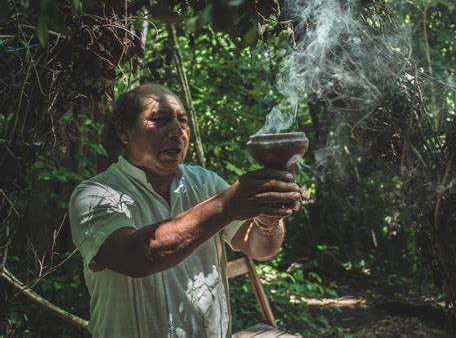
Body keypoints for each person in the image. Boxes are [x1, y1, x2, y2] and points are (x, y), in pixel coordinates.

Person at [69, 83, 308, 338]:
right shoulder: (94, 194)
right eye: (160, 120)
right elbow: (134, 257)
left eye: (182, 121)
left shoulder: (205, 182)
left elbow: (261, 248)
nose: (176, 131)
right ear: (124, 132)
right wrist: (226, 207)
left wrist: (268, 218)